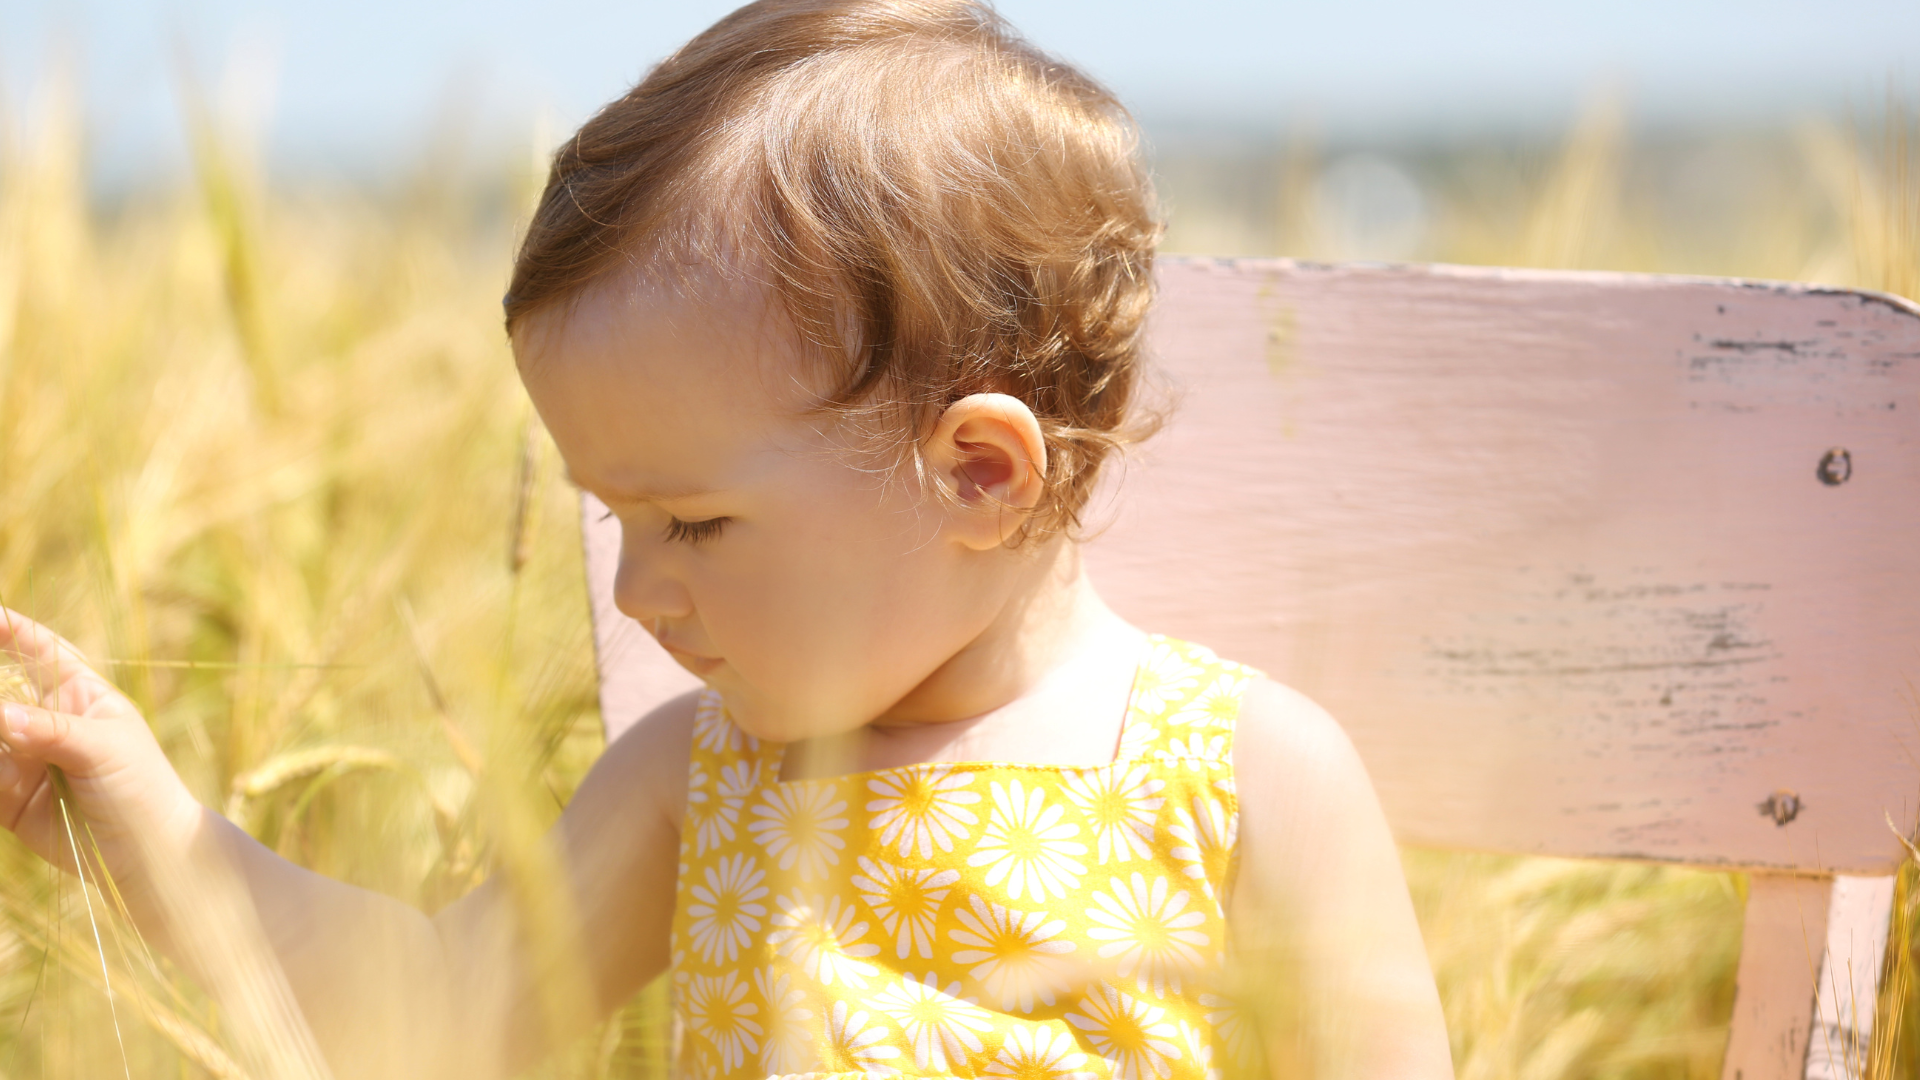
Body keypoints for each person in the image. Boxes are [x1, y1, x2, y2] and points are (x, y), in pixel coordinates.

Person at [0, 1, 1453, 1076]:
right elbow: (437, 1013)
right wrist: (141, 819)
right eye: (614, 519)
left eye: (694, 519)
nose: (637, 591)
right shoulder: (695, 785)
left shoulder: (1244, 776)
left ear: (980, 476)